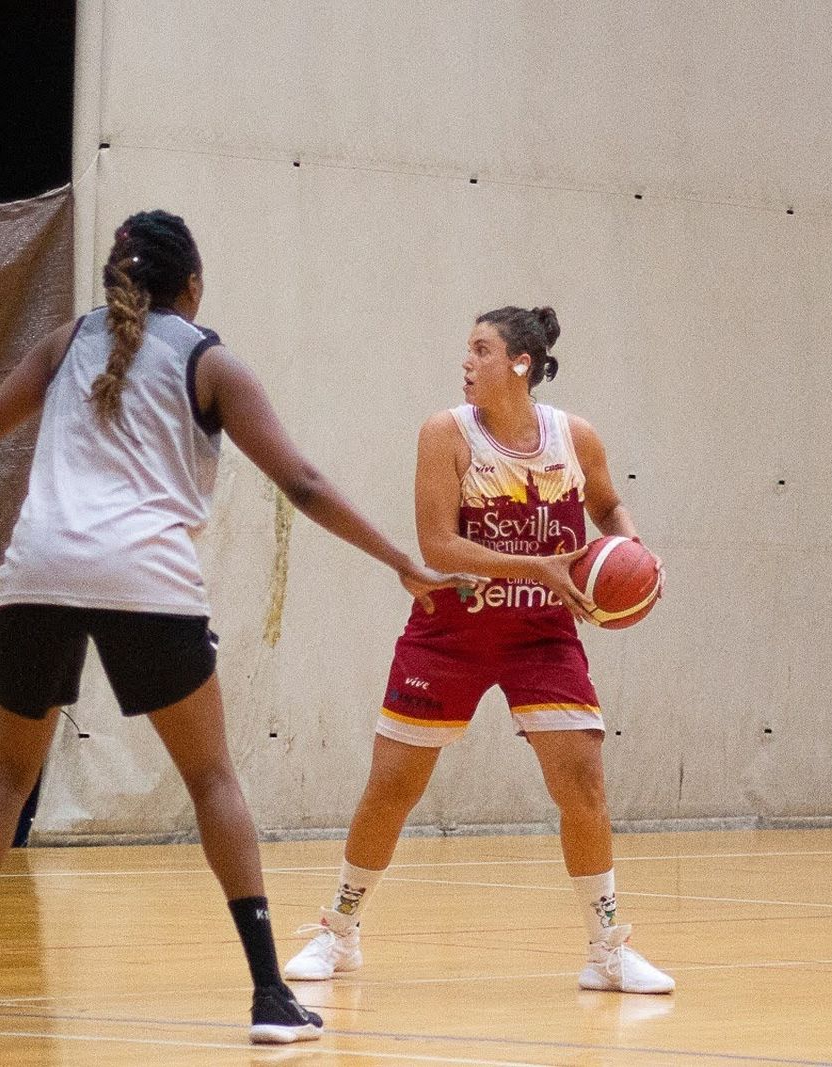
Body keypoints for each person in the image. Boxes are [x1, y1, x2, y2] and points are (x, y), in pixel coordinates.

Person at [0, 209, 476, 1044]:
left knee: (6, 777)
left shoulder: (63, 345)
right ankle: (270, 996)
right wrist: (400, 559)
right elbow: (304, 483)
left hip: (37, 574)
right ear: (193, 286)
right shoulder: (210, 361)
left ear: (114, 282)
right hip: (146, 579)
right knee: (211, 779)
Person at [282, 305, 675, 995]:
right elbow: (438, 545)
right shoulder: (446, 433)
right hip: (450, 630)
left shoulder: (574, 437)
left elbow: (608, 508)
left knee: (583, 786)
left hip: (541, 635)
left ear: (520, 364)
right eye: (467, 348)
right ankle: (339, 932)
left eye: (481, 349)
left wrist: (634, 550)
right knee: (392, 788)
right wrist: (545, 568)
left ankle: (606, 950)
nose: (466, 361)